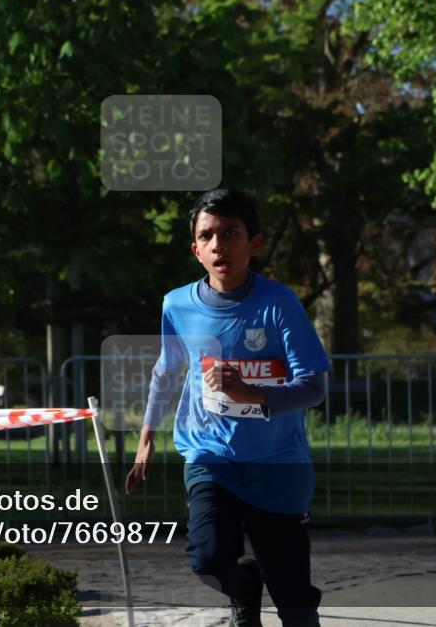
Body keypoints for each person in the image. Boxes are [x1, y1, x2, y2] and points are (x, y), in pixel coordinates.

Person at [124, 189, 329, 627]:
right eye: (208, 236)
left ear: (254, 243)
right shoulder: (177, 305)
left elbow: (313, 386)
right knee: (209, 559)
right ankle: (242, 587)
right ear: (196, 249)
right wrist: (147, 435)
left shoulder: (279, 305)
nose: (220, 245)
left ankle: (267, 584)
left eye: (231, 233)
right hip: (210, 457)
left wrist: (252, 394)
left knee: (294, 601)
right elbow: (167, 370)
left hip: (277, 465)